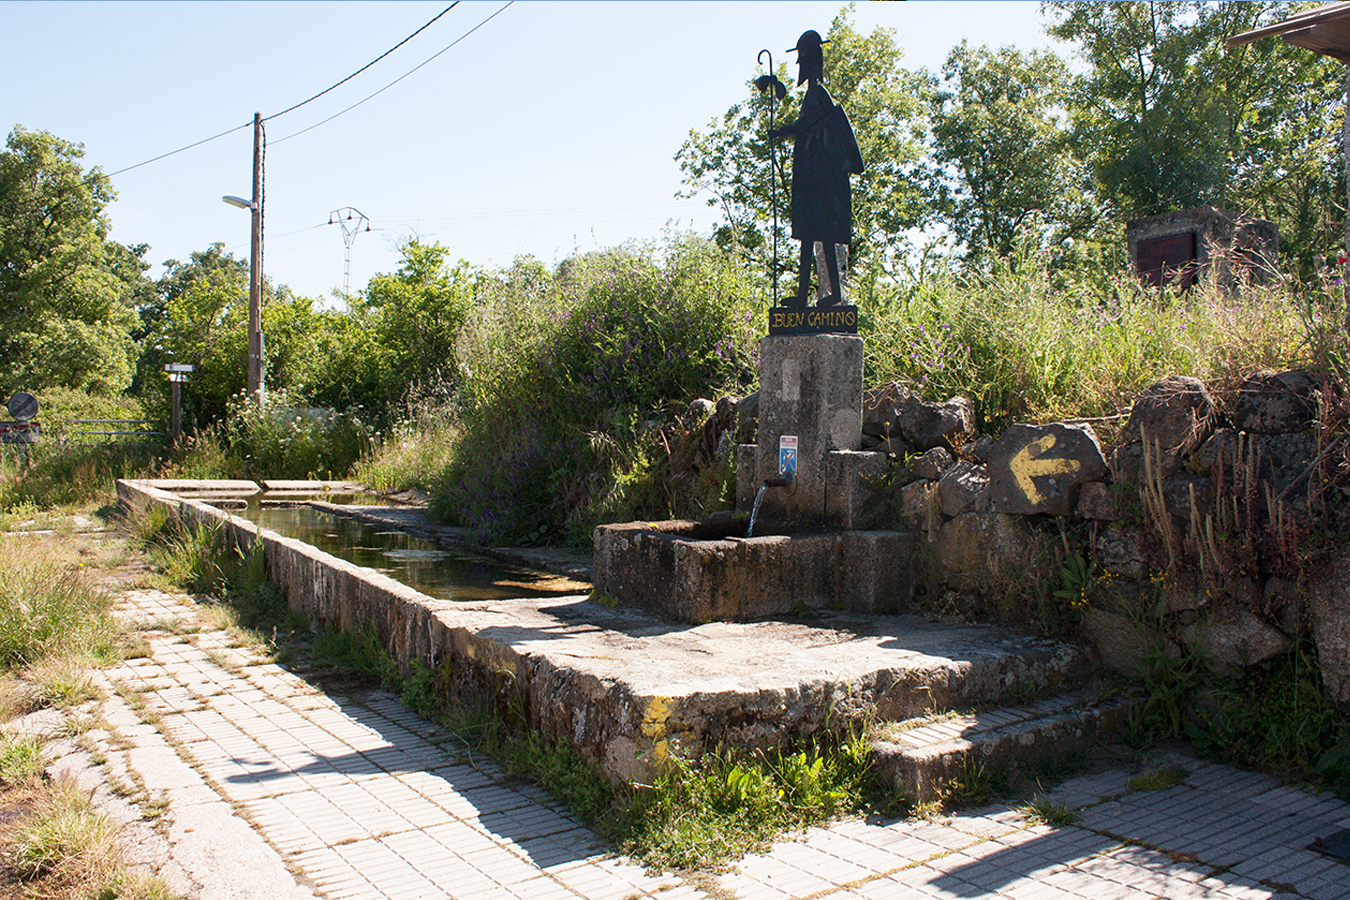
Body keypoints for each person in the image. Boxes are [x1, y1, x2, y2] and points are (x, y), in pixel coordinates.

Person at [771, 30, 865, 308]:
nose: (802, 66)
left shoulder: (817, 95)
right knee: (809, 234)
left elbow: (805, 126)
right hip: (812, 178)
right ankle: (803, 296)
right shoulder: (814, 94)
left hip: (821, 181)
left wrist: (780, 132)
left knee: (820, 234)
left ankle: (833, 294)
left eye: (804, 60)